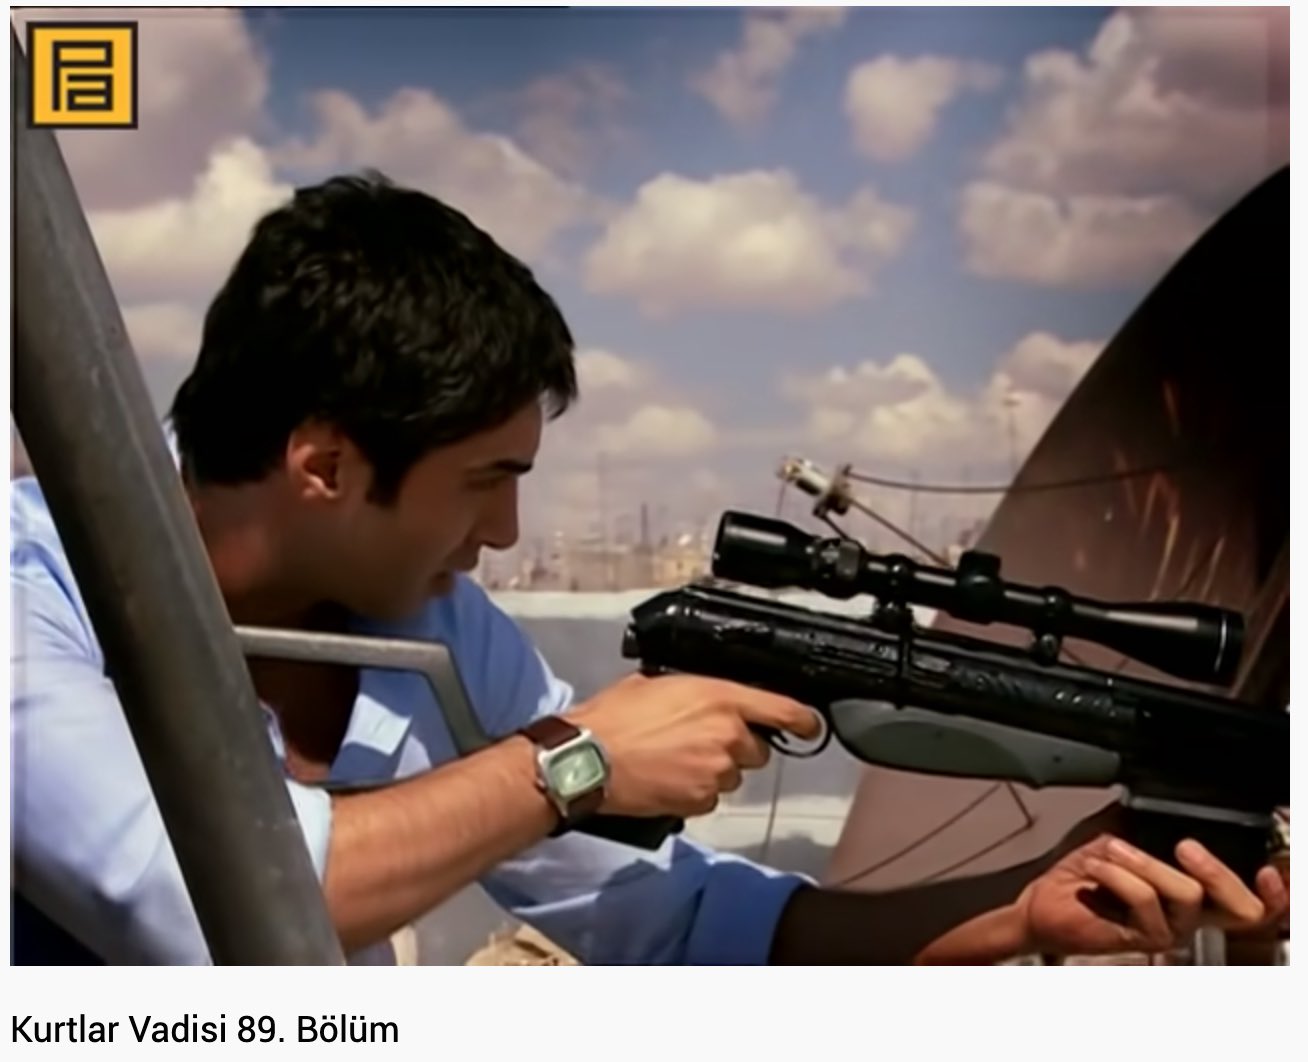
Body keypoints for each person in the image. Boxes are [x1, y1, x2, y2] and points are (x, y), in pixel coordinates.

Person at [10, 172, 1287, 965]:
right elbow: (192, 898)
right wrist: (572, 763)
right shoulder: (27, 591)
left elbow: (673, 925)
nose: (503, 535)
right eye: (485, 481)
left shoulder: (438, 628)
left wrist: (1022, 905)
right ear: (325, 464)